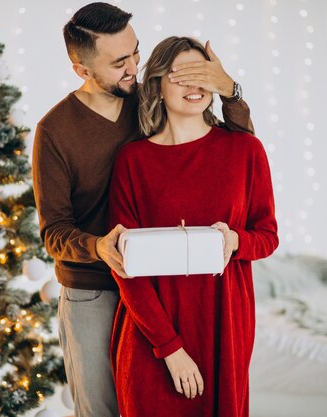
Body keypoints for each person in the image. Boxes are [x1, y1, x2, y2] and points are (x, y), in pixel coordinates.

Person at [32, 3, 254, 416]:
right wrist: (100, 247)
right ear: (82, 70)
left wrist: (230, 90)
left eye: (136, 52)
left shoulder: (147, 99)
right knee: (103, 408)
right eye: (120, 62)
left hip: (162, 288)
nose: (134, 66)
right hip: (95, 289)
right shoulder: (55, 131)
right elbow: (53, 231)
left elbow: (236, 155)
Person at [107, 36, 279, 417]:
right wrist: (170, 348)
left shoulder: (245, 150)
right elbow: (125, 269)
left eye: (202, 76)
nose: (194, 86)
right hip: (152, 336)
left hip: (224, 327)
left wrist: (236, 240)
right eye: (180, 76)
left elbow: (267, 236)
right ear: (157, 85)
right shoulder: (132, 161)